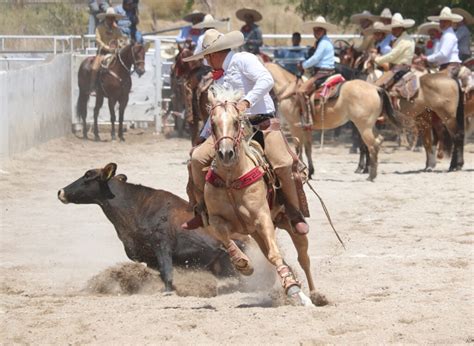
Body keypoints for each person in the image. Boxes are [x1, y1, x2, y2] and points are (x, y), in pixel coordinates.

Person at [181, 29, 310, 235]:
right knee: (196, 158)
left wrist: (246, 101)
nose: (206, 61)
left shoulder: (244, 59)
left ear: (214, 54)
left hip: (261, 124)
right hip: (228, 129)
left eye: (206, 57)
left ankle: (294, 213)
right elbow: (217, 113)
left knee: (284, 163)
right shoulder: (217, 79)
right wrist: (204, 135)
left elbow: (266, 80)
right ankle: (201, 209)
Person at [295, 16, 336, 123]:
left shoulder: (323, 43)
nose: (316, 31)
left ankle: (307, 118)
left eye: (319, 29)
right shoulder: (324, 41)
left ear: (324, 30)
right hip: (324, 71)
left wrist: (303, 65)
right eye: (315, 29)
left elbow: (316, 58)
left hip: (322, 72)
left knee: (300, 91)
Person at [373, 13, 416, 88]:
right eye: (392, 29)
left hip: (398, 69)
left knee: (379, 86)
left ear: (401, 28)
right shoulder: (406, 39)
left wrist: (377, 59)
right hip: (401, 68)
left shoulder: (403, 40)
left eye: (395, 29)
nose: (393, 31)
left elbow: (392, 55)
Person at [90, 8, 127, 93]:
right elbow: (98, 40)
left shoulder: (117, 29)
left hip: (115, 53)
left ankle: (124, 84)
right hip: (102, 52)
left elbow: (120, 39)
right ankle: (93, 86)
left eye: (112, 18)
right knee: (94, 68)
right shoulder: (99, 28)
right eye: (109, 18)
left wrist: (120, 45)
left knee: (124, 65)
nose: (111, 20)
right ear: (106, 18)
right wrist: (107, 47)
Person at [418, 7, 462, 78]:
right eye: (441, 21)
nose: (442, 23)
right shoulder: (446, 34)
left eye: (445, 21)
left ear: (450, 23)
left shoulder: (448, 35)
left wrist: (427, 58)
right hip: (445, 65)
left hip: (450, 66)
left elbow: (443, 54)